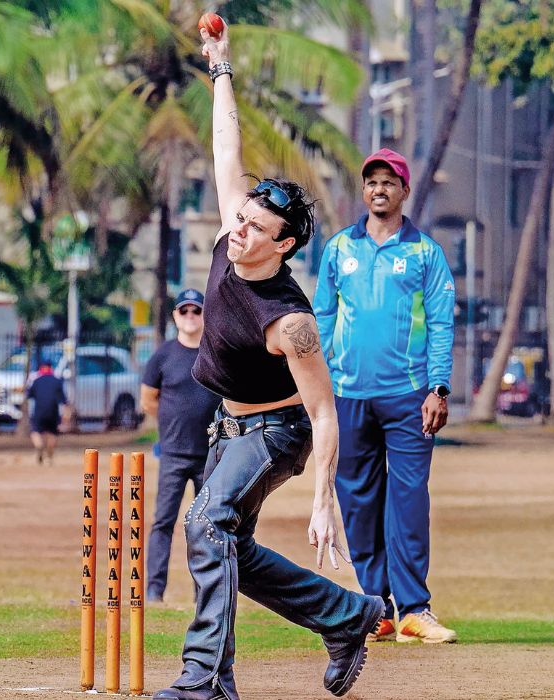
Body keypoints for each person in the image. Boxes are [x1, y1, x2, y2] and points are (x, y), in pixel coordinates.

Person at [153, 20, 383, 700]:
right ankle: (346, 617)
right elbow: (228, 145)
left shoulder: (291, 322)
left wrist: (323, 502)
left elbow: (322, 410)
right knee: (223, 547)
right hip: (227, 426)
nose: (241, 227)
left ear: (283, 247)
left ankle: (203, 682)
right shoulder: (232, 235)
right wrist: (221, 68)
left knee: (203, 524)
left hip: (276, 433)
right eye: (244, 216)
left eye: (257, 227)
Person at [312, 148, 457, 644]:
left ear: (404, 191)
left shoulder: (424, 253)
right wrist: (318, 384)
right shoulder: (337, 249)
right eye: (371, 181)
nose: (379, 189)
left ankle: (415, 608)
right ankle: (378, 607)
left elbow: (441, 323)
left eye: (388, 182)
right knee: (358, 503)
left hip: (409, 395)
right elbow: (322, 319)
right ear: (364, 189)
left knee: (409, 500)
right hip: (348, 395)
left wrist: (438, 387)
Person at [140, 288, 221, 603]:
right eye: (184, 311)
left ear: (205, 316)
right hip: (173, 454)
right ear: (175, 316)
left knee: (205, 525)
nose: (190, 317)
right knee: (163, 521)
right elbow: (148, 400)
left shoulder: (215, 352)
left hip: (211, 455)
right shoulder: (163, 354)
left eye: (196, 311)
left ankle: (203, 592)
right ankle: (154, 590)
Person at [27, 360, 66, 465]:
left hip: (39, 410)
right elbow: (63, 400)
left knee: (35, 431)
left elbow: (29, 395)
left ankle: (39, 446)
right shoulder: (57, 381)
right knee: (52, 433)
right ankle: (49, 457)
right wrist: (67, 413)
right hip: (53, 411)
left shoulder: (36, 380)